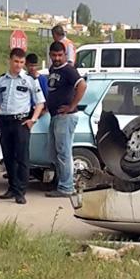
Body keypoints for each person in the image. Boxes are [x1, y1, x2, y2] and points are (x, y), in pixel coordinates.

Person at [0, 48, 45, 204]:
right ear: (10, 60)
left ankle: (20, 191)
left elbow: (40, 102)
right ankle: (12, 188)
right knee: (8, 157)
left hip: (21, 122)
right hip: (5, 122)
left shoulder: (29, 80)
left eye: (21, 62)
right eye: (16, 61)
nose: (18, 65)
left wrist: (32, 119)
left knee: (22, 158)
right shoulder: (2, 80)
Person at [45, 40, 87, 197]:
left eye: (60, 55)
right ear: (50, 55)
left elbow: (82, 86)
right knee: (55, 152)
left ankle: (66, 187)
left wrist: (71, 106)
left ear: (64, 55)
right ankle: (60, 182)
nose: (57, 58)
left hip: (66, 116)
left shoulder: (69, 70)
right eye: (54, 55)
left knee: (64, 152)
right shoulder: (53, 69)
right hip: (55, 115)